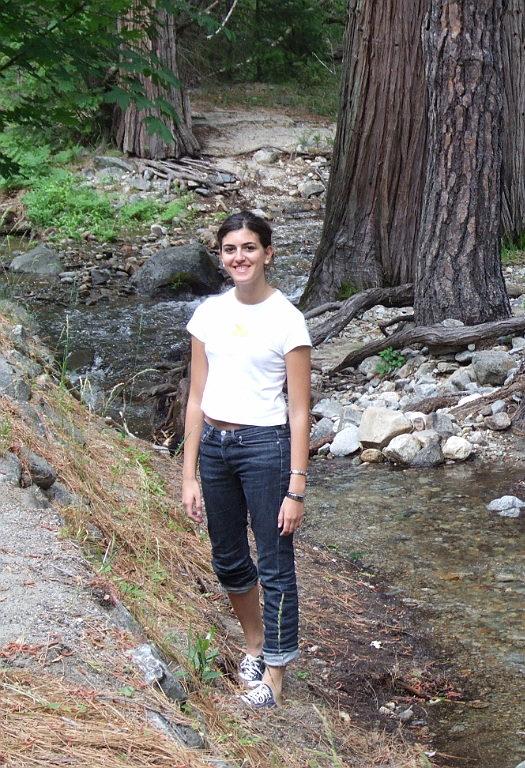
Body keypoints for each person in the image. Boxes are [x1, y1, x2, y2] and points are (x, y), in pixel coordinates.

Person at [181, 211, 311, 709]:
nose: (240, 257)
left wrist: (296, 486)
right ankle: (255, 646)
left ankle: (274, 677)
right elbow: (196, 397)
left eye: (250, 247)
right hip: (215, 448)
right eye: (231, 249)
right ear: (221, 256)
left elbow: (299, 410)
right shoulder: (208, 314)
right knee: (229, 558)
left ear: (267, 254)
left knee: (274, 564)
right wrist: (188, 473)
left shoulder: (287, 319)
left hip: (266, 448)